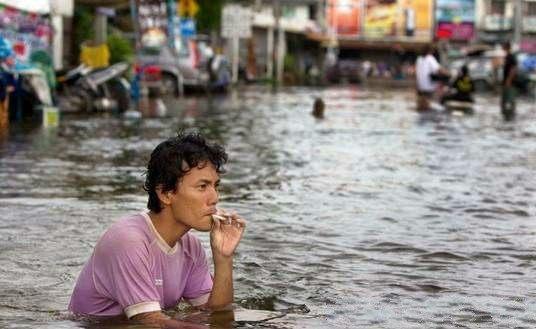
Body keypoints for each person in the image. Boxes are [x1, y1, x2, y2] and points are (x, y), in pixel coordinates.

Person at [69, 132, 246, 328]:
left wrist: (224, 258)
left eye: (215, 186)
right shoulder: (128, 240)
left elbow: (215, 314)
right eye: (203, 186)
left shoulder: (191, 247)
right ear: (166, 193)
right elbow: (150, 322)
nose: (214, 197)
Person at [415, 44, 448, 111]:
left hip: (420, 87)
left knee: (422, 108)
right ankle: (439, 100)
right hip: (429, 87)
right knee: (445, 81)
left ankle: (423, 104)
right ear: (430, 50)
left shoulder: (419, 59)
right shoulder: (430, 58)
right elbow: (439, 70)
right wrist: (448, 73)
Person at [501, 42, 517, 121]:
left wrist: (508, 80)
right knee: (505, 99)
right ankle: (506, 114)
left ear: (506, 47)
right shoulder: (507, 56)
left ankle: (510, 114)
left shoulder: (511, 56)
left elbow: (513, 69)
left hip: (510, 82)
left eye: (503, 46)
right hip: (506, 82)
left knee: (510, 99)